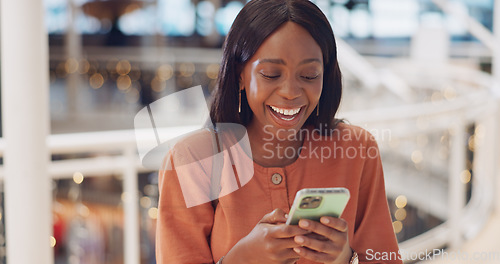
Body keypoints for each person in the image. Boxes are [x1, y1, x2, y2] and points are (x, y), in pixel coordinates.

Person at [156, 0, 402, 263]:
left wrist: (344, 257)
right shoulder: (192, 161)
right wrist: (241, 259)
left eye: (309, 76)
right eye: (271, 74)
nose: (290, 93)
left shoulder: (357, 149)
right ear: (240, 74)